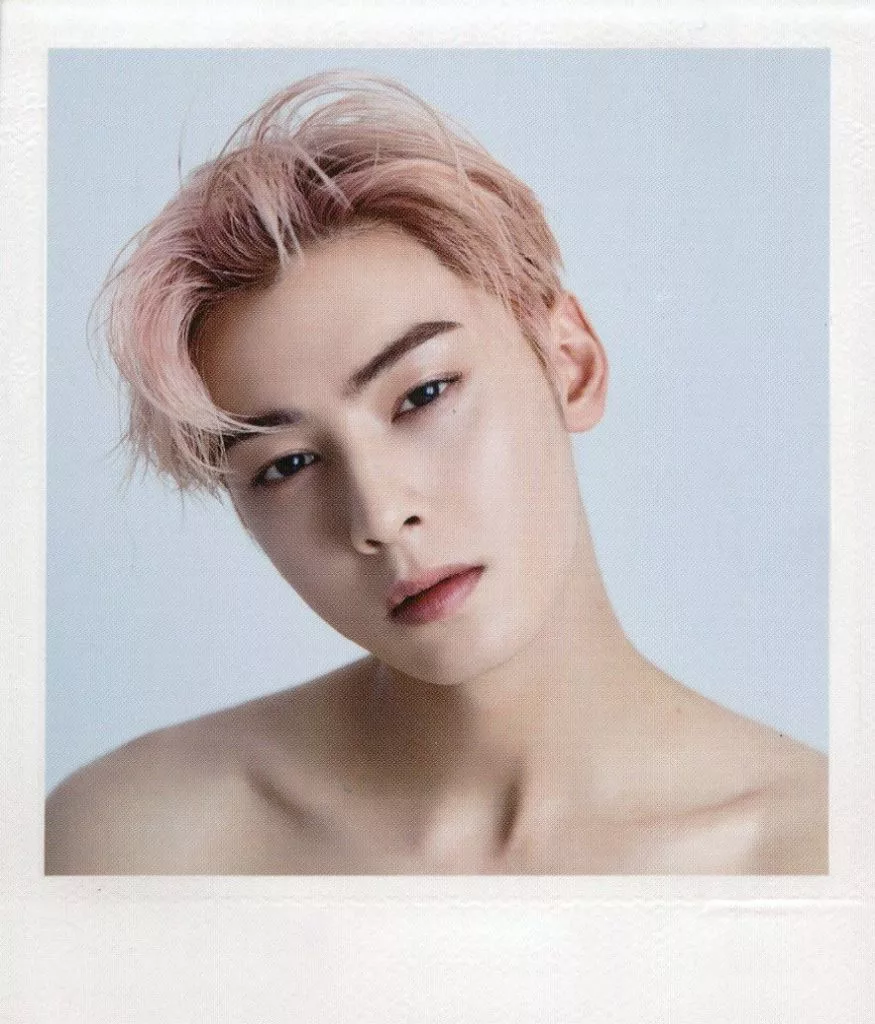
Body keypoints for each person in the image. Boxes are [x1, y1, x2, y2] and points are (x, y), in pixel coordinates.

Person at [45, 71, 827, 875]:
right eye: (287, 465)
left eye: (423, 395)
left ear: (571, 363)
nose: (379, 516)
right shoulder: (131, 844)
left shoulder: (813, 858)